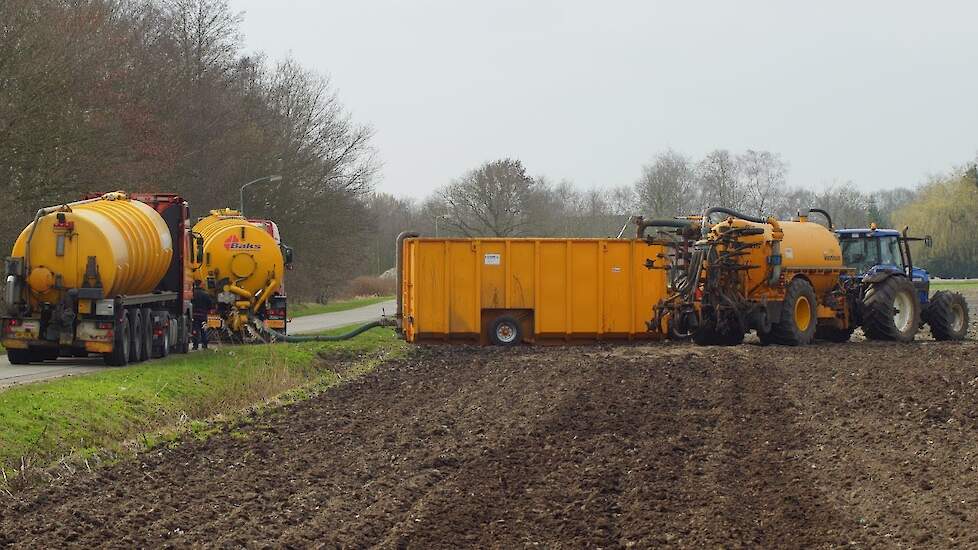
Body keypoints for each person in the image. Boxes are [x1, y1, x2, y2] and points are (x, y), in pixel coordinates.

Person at [191, 280, 214, 350]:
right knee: (203, 330)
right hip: (203, 315)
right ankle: (205, 345)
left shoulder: (192, 293)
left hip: (194, 314)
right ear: (200, 285)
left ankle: (195, 345)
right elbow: (210, 305)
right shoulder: (205, 294)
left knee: (195, 330)